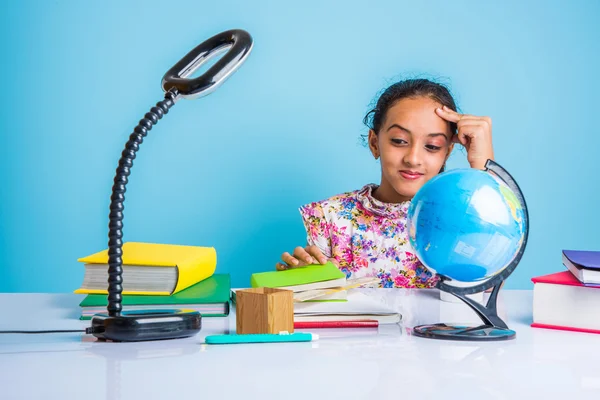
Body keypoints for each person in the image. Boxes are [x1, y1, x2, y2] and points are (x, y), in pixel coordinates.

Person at [276, 78, 494, 288]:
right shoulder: (331, 216)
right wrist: (302, 282)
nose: (413, 158)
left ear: (446, 153)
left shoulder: (465, 217)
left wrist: (484, 166)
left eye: (433, 146)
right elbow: (317, 305)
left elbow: (490, 285)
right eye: (399, 141)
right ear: (374, 143)